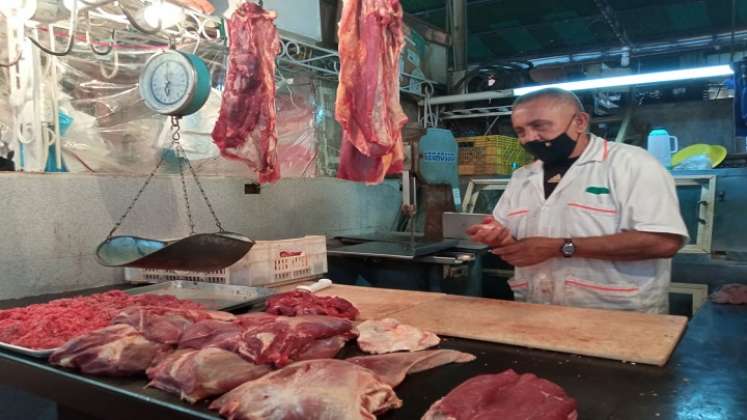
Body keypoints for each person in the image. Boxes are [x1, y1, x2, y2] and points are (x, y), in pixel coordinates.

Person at [466, 88, 688, 313]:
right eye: (521, 131)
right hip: (536, 313)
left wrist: (562, 247)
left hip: (617, 317)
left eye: (540, 126)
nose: (529, 138)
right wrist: (498, 237)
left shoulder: (632, 164)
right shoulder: (522, 177)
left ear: (580, 122)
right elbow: (510, 237)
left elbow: (664, 242)